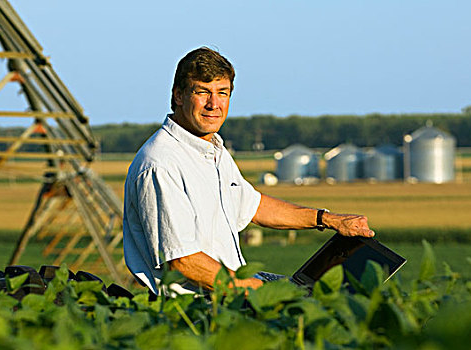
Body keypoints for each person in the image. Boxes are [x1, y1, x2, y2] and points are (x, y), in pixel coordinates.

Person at [123, 47, 374, 296]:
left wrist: (328, 219)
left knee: (340, 295)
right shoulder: (161, 163)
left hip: (227, 295)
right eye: (203, 92)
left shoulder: (212, 150)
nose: (214, 104)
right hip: (195, 310)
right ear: (178, 95)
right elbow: (182, 260)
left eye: (222, 93)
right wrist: (255, 289)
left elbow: (255, 206)